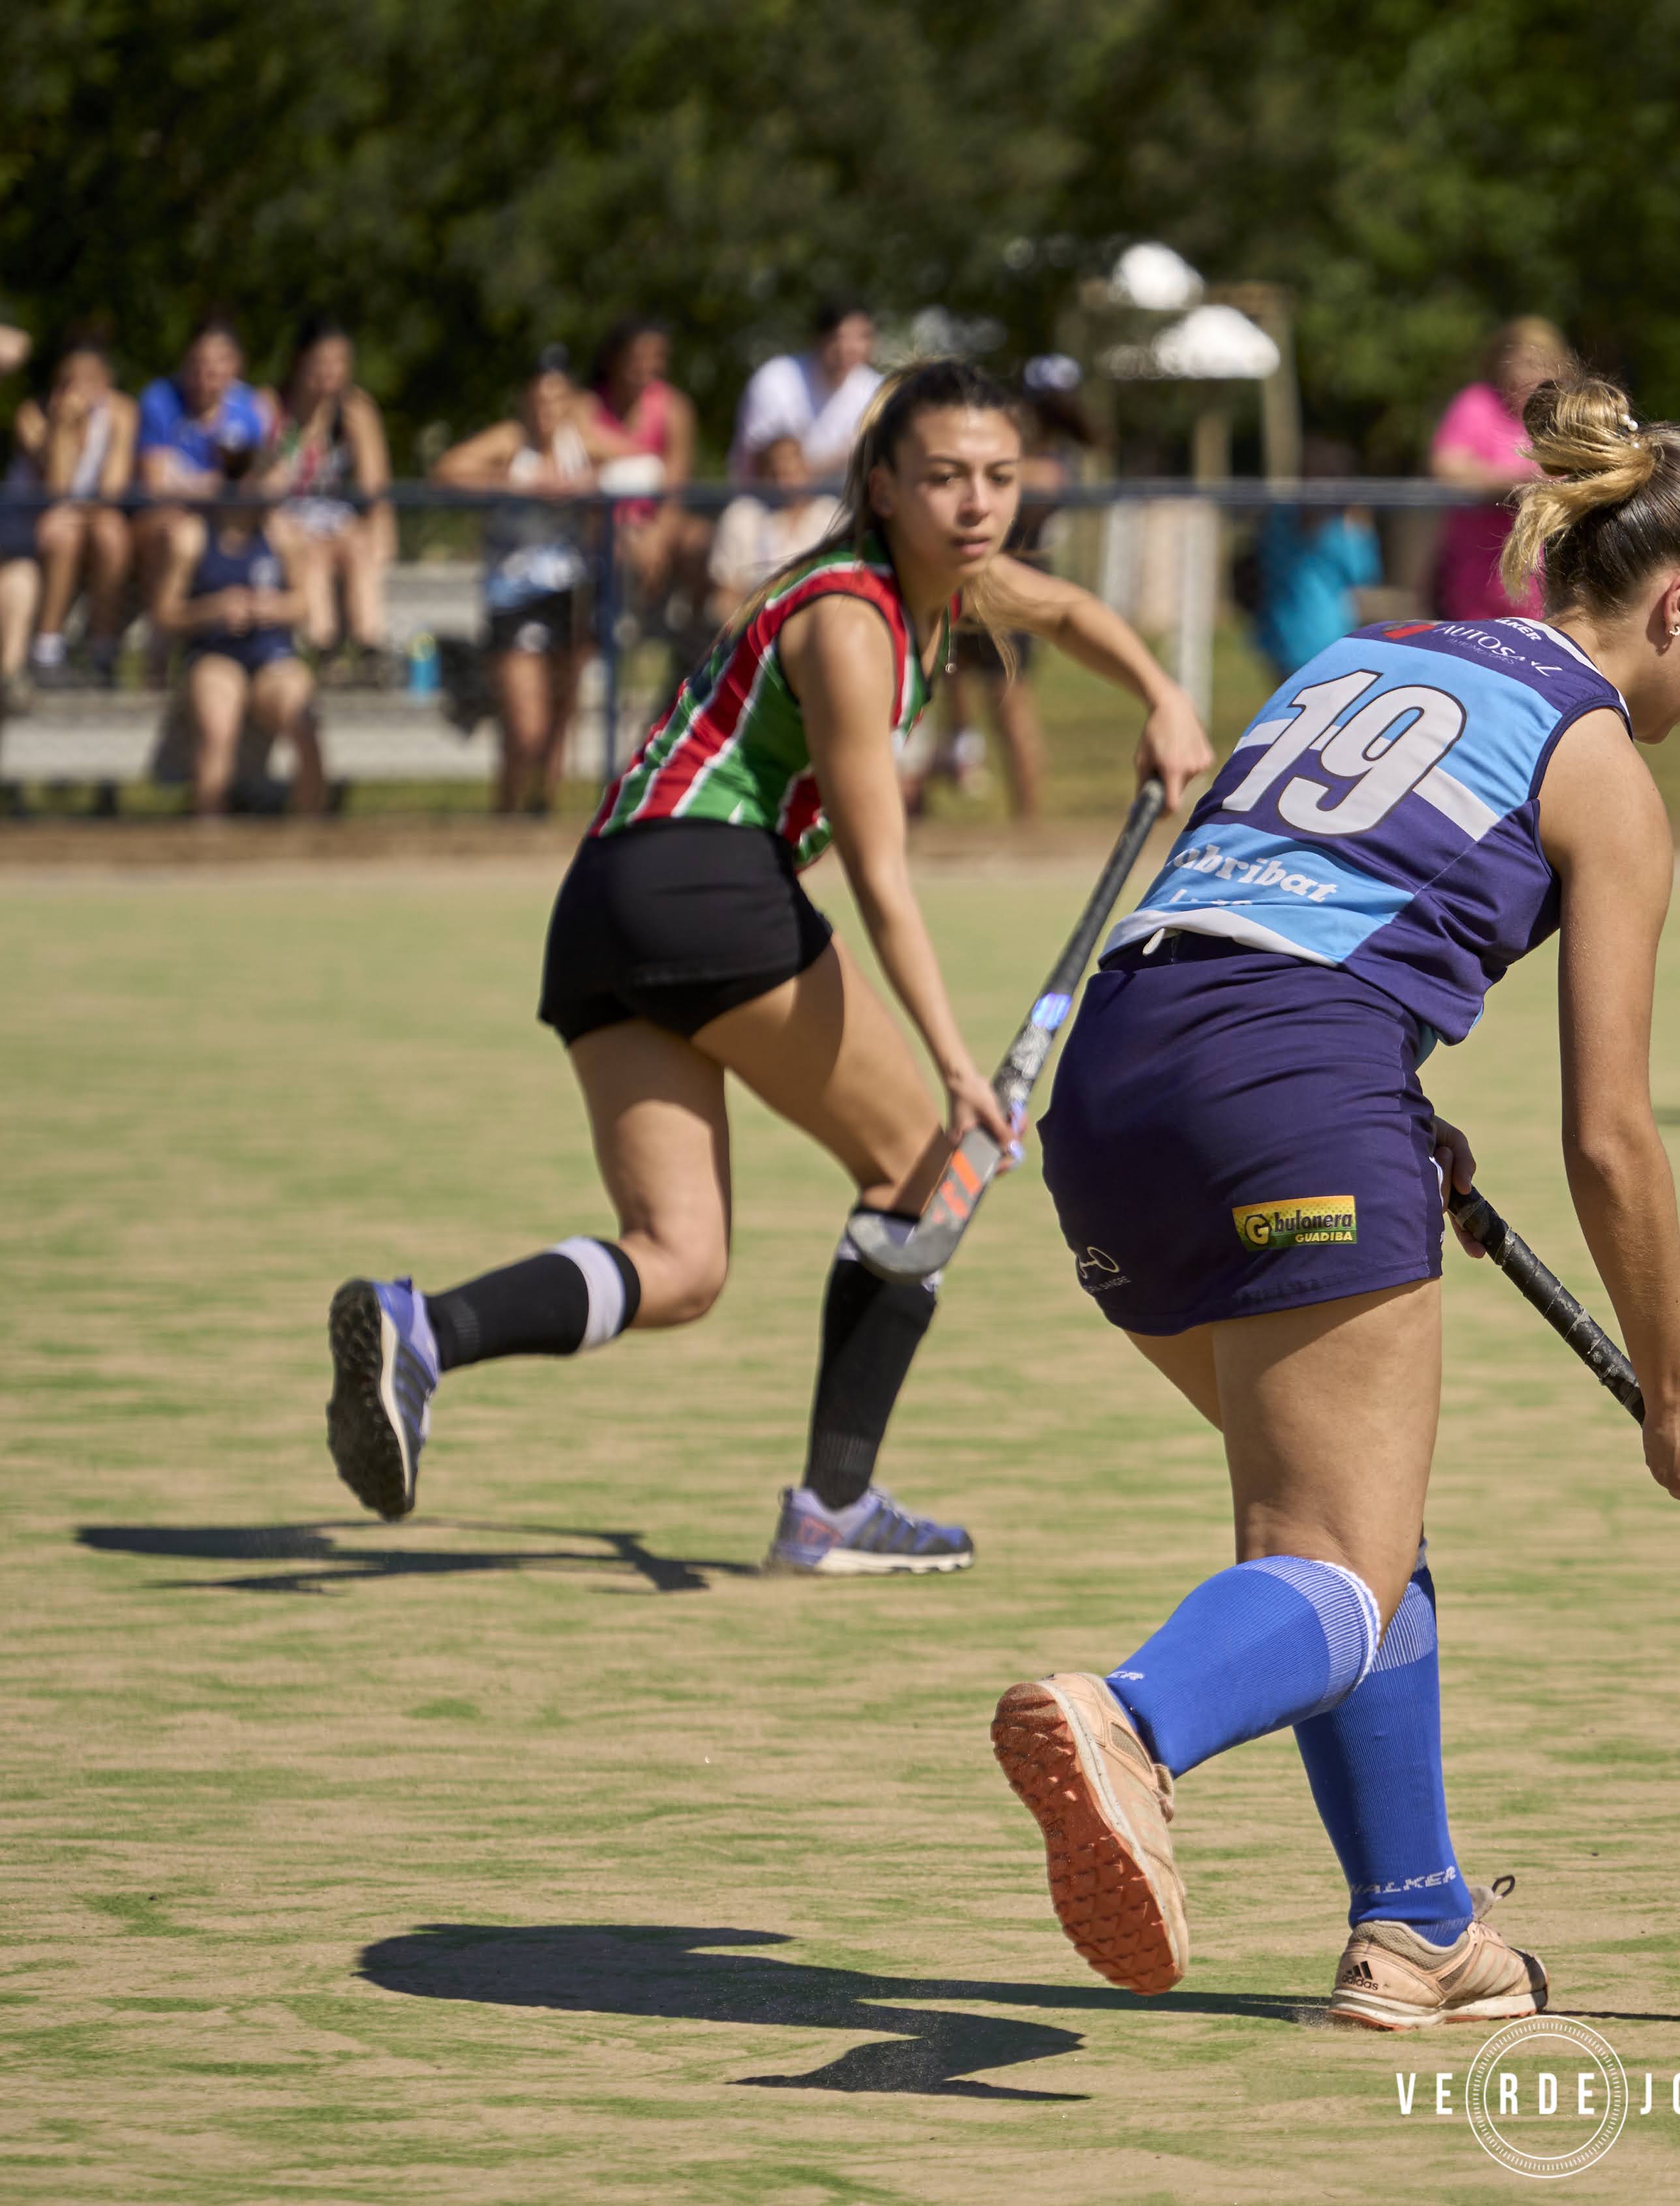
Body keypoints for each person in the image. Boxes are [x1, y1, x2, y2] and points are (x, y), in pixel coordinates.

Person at [994, 376, 1680, 2029]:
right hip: (1290, 1097)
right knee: (1334, 1574)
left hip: (1112, 1092)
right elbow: (1610, 1140)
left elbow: (1256, 910)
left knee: (1345, 1540)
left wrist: (1384, 1112)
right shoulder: (1605, 776)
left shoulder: (1362, 654)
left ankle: (1415, 1929)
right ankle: (1131, 1722)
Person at [323, 358, 1215, 1578]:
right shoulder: (850, 622)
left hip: (603, 907)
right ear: (882, 486)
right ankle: (834, 1508)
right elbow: (880, 874)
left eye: (999, 478)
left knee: (679, 1260)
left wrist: (1164, 697)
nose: (977, 505)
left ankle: (424, 1330)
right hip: (703, 887)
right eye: (944, 477)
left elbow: (1062, 611)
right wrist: (961, 1070)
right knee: (923, 1163)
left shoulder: (951, 586)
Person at [432, 348, 642, 813]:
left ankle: (539, 813)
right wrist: (518, 483)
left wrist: (591, 482)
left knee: (559, 719)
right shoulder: (511, 440)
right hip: (513, 596)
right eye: (539, 401)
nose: (548, 412)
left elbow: (645, 465)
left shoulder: (581, 440)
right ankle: (505, 811)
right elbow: (447, 471)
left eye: (557, 400)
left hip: (570, 594)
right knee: (526, 727)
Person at [156, 443, 327, 816]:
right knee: (219, 729)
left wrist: (272, 608)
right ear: (249, 484)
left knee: (305, 723)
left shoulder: (283, 534)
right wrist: (213, 610)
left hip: (271, 655)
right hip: (214, 654)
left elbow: (302, 604)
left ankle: (310, 836)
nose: (280, 495)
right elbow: (166, 613)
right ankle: (209, 835)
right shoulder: (194, 536)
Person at [132, 317, 275, 678]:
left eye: (219, 362)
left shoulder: (251, 408)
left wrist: (193, 482)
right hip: (175, 523)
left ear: (235, 365)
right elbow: (155, 482)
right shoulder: (159, 400)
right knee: (176, 533)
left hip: (227, 523)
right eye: (198, 362)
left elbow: (258, 481)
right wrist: (217, 484)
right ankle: (160, 652)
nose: (207, 373)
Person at [4, 339, 140, 700]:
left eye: (89, 380)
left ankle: (103, 652)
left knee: (111, 532)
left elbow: (111, 489)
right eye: (69, 381)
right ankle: (47, 650)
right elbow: (57, 491)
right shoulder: (32, 417)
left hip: (83, 519)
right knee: (65, 534)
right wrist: (63, 430)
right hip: (30, 522)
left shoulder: (121, 413)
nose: (79, 390)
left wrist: (75, 511)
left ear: (106, 382)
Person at [261, 315, 396, 675]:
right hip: (284, 516)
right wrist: (298, 437)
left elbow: (375, 488)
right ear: (299, 363)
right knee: (314, 555)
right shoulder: (271, 406)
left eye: (339, 364)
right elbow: (265, 484)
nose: (329, 375)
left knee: (360, 545)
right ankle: (323, 649)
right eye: (320, 364)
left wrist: (359, 435)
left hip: (334, 516)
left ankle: (370, 648)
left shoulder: (355, 410)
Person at [1426, 318, 1574, 622]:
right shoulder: (1477, 404)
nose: (1525, 374)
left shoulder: (1566, 411)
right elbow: (1448, 467)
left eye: (1536, 363)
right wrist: (1518, 481)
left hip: (1551, 576)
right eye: (1518, 363)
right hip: (1478, 574)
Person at [590, 319, 708, 626]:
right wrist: (643, 456)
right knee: (617, 551)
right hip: (601, 523)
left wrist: (658, 535)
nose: (646, 366)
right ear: (614, 358)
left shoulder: (675, 409)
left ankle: (690, 640)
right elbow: (585, 468)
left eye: (656, 357)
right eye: (636, 356)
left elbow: (674, 488)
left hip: (654, 521)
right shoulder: (586, 406)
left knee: (701, 543)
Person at [1246, 437, 1383, 679]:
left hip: (1326, 638)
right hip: (1281, 635)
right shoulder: (1279, 522)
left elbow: (1364, 574)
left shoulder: (1343, 530)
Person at [732, 303, 883, 483]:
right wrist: (847, 455)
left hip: (846, 502)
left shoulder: (876, 390)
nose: (848, 348)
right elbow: (768, 468)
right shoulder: (775, 380)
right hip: (768, 502)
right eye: (839, 337)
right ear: (818, 338)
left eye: (861, 337)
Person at [705, 434, 836, 622]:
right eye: (776, 474)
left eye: (792, 473)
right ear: (763, 477)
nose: (784, 484)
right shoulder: (742, 517)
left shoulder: (830, 515)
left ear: (807, 471)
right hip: (754, 628)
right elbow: (724, 594)